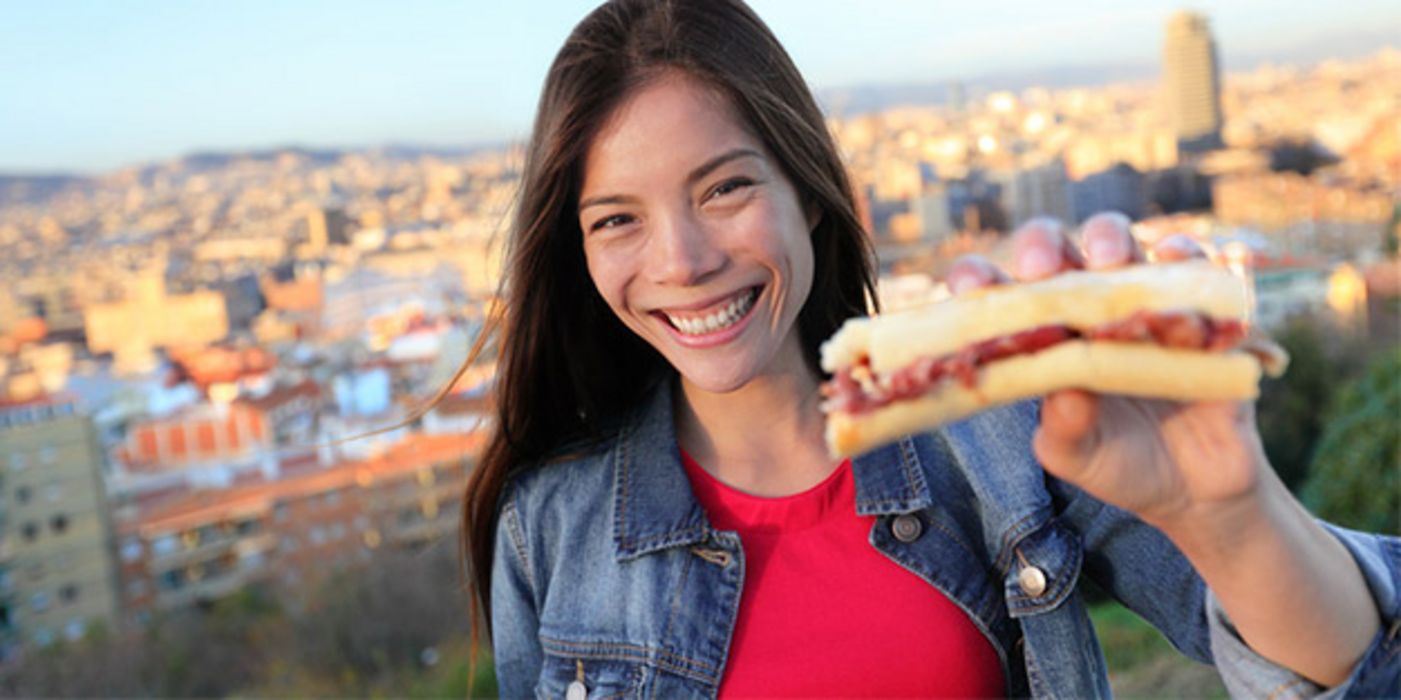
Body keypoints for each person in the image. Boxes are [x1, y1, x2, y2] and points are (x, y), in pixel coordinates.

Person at [460, 0, 1400, 696]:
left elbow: (1346, 670)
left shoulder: (1000, 440)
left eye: (723, 190)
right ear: (576, 251)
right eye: (617, 218)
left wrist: (1230, 514)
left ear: (810, 193)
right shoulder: (547, 529)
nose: (682, 261)